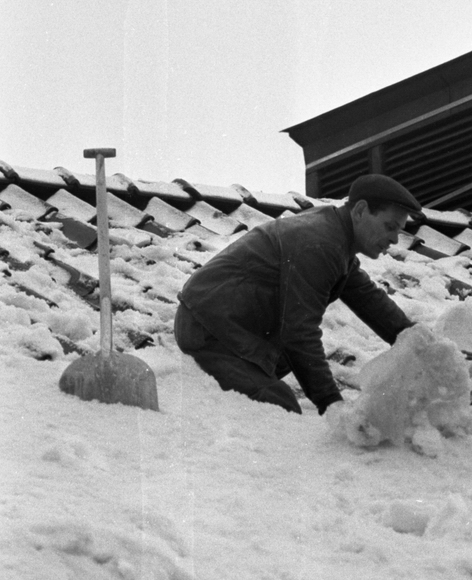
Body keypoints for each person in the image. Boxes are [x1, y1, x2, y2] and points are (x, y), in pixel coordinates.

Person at [174, 174, 422, 415]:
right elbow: (299, 333)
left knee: (279, 395)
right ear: (360, 210)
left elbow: (368, 298)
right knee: (280, 409)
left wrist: (422, 344)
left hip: (226, 328)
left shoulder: (335, 235)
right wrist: (332, 404)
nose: (394, 239)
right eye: (390, 227)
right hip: (208, 328)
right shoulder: (320, 242)